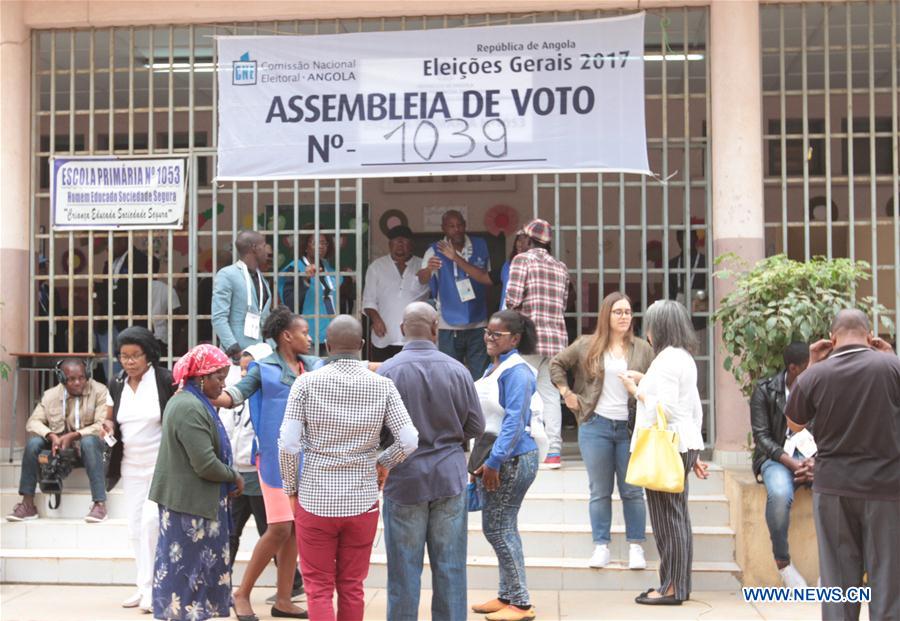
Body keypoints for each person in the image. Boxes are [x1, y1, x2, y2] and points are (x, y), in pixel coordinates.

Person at [279, 315, 418, 621]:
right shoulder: (383, 385)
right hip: (362, 499)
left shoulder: (305, 383)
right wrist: (382, 463)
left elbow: (288, 444)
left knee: (317, 587)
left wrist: (291, 488)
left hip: (315, 500)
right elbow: (409, 439)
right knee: (352, 585)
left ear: (327, 346)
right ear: (363, 346)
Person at [785, 310, 900, 621]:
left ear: (831, 339)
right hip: (886, 489)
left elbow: (794, 424)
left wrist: (811, 365)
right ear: (870, 334)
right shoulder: (891, 366)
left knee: (838, 581)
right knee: (887, 581)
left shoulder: (816, 374)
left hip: (833, 487)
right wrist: (891, 356)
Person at [377, 302, 485, 621]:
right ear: (435, 328)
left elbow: (378, 430)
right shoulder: (457, 369)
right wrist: (449, 435)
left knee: (403, 572)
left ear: (401, 330)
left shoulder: (388, 371)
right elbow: (476, 426)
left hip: (404, 479)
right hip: (448, 478)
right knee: (450, 568)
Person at [216, 307, 316, 620]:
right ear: (287, 336)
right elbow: (234, 395)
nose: (310, 338)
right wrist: (201, 393)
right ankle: (241, 593)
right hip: (273, 462)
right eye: (304, 332)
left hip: (305, 461)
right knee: (279, 529)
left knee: (295, 531)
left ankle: (284, 599)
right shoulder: (263, 368)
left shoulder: (311, 366)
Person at [549, 292, 654, 569]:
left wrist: (642, 379)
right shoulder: (586, 344)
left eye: (628, 312)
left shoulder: (642, 348)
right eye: (618, 312)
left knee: (632, 490)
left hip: (631, 429)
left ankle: (635, 547)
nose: (624, 317)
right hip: (595, 425)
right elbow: (556, 364)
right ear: (606, 315)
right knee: (600, 490)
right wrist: (566, 393)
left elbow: (656, 383)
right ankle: (601, 546)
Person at [619, 300, 709, 606]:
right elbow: (691, 405)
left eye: (650, 325)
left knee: (668, 520)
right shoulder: (682, 357)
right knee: (677, 517)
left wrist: (636, 392)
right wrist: (646, 380)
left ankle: (671, 588)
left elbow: (666, 408)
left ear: (659, 328)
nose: (647, 331)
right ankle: (676, 585)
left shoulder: (667, 359)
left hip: (666, 445)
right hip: (682, 442)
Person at [148, 344, 244, 621]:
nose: (223, 384)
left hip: (194, 503)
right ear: (201, 376)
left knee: (193, 579)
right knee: (187, 580)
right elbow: (204, 464)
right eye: (219, 378)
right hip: (190, 508)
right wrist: (233, 475)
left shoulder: (192, 402)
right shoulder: (189, 407)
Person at [470, 310, 540, 621]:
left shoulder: (517, 371)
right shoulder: (494, 367)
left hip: (511, 458)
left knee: (499, 528)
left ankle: (521, 604)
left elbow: (514, 421)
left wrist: (495, 462)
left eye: (496, 335)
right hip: (497, 456)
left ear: (515, 338)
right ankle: (506, 595)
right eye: (487, 332)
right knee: (499, 526)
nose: (489, 338)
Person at [101, 326, 176, 611]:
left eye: (135, 356)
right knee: (134, 527)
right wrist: (106, 427)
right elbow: (110, 419)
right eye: (123, 356)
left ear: (149, 355)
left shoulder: (164, 380)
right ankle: (142, 585)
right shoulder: (117, 383)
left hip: (160, 464)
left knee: (151, 523)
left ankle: (156, 586)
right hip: (130, 465)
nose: (129, 362)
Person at [6, 359, 108, 523]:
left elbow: (102, 425)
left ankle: (99, 503)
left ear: (87, 375)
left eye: (82, 378)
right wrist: (51, 436)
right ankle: (28, 504)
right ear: (61, 379)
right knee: (33, 444)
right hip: (59, 449)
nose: (78, 383)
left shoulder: (100, 391)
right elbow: (33, 422)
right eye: (71, 379)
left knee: (89, 441)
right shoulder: (50, 395)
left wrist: (74, 436)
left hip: (89, 449)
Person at [505, 218, 570, 470]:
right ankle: (553, 451)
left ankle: (519, 447)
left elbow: (512, 298)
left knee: (519, 391)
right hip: (556, 341)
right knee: (551, 394)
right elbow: (563, 305)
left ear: (528, 239)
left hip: (529, 338)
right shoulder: (561, 267)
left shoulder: (522, 260)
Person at [750, 341, 811, 588]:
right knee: (779, 493)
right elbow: (761, 437)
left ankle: (833, 570)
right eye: (808, 366)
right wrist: (792, 464)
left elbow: (826, 430)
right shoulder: (765, 390)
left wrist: (813, 462)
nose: (813, 371)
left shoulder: (817, 388)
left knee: (834, 495)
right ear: (794, 368)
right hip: (775, 458)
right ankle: (783, 564)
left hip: (811, 459)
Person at [418, 209, 492, 379]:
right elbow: (422, 279)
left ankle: (477, 406)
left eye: (459, 225)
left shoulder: (480, 245)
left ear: (465, 226)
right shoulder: (434, 250)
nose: (456, 229)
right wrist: (429, 269)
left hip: (478, 321)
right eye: (451, 226)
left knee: (479, 375)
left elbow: (488, 280)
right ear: (444, 228)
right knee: (450, 375)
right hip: (447, 324)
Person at [362, 225, 430, 362]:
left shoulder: (423, 266)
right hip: (384, 336)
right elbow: (368, 300)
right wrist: (376, 320)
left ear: (411, 245)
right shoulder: (377, 267)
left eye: (404, 242)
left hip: (414, 336)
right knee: (383, 376)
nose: (400, 245)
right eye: (396, 241)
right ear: (389, 244)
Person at [211, 230, 273, 357]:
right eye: (264, 245)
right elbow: (219, 317)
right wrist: (233, 348)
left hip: (262, 353)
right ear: (254, 248)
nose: (267, 250)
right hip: (238, 355)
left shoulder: (261, 278)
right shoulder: (227, 275)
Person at [279, 233, 341, 353]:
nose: (321, 246)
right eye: (315, 242)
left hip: (328, 335)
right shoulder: (295, 268)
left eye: (324, 243)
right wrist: (305, 279)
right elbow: (289, 303)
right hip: (306, 336)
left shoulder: (328, 268)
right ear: (306, 246)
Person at [499, 230, 529, 311]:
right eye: (519, 239)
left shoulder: (534, 267)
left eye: (524, 240)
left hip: (523, 316)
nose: (520, 244)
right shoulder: (507, 265)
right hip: (505, 314)